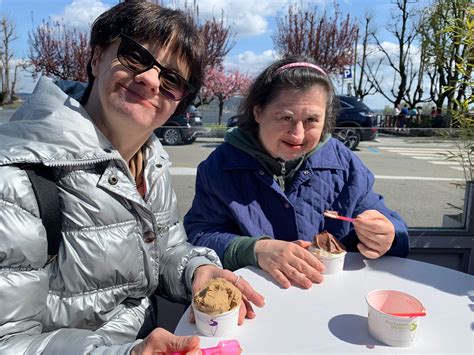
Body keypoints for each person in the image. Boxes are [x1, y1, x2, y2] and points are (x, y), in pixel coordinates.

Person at [0, 3, 264, 354]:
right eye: (136, 56)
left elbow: (165, 249)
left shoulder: (150, 163)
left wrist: (195, 269)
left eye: (172, 80)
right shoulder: (18, 179)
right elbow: (10, 341)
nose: (151, 79)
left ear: (178, 103)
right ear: (96, 58)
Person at [184, 55, 410, 290]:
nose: (298, 135)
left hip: (329, 297)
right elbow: (200, 235)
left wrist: (389, 235)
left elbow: (384, 219)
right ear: (258, 113)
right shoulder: (220, 167)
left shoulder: (344, 164)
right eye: (286, 118)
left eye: (312, 120)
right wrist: (255, 249)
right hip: (253, 299)